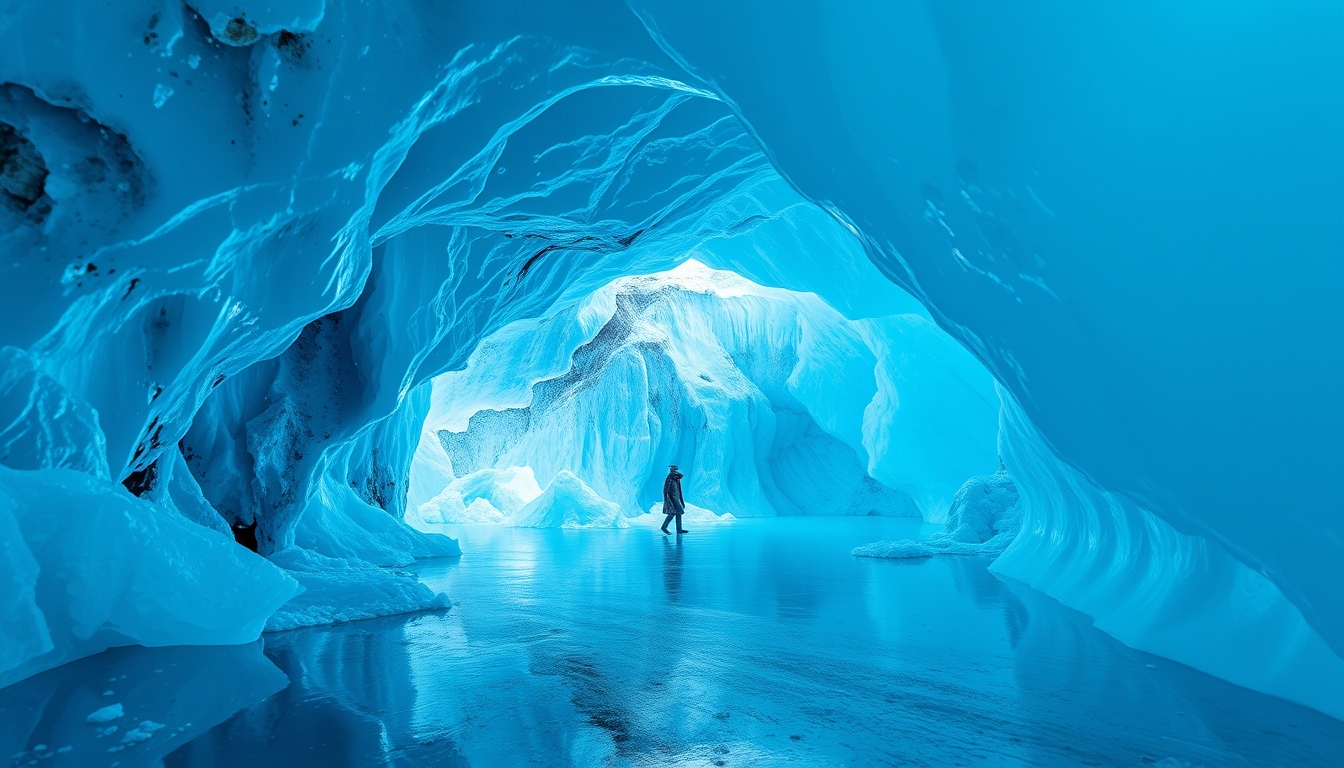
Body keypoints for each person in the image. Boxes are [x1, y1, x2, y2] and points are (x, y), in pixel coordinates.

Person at [661, 464, 688, 534]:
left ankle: (679, 529)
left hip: (675, 498)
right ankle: (664, 527)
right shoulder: (670, 477)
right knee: (672, 513)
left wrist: (680, 500)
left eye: (674, 468)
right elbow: (666, 490)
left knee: (678, 513)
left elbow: (680, 476)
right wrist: (669, 500)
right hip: (671, 499)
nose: (674, 469)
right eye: (672, 468)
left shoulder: (675, 478)